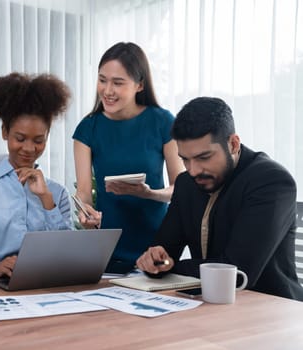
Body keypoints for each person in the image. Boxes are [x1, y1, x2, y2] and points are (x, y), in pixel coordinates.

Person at [136, 97, 303, 301]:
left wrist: (171, 267)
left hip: (270, 309)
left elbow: (237, 272)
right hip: (207, 306)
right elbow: (164, 251)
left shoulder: (272, 182)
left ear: (233, 144)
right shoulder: (186, 183)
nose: (193, 170)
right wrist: (154, 260)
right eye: (185, 159)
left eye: (204, 157)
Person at [72, 42, 184, 273]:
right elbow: (83, 193)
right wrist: (85, 213)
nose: (107, 90)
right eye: (102, 80)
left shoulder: (163, 122)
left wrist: (148, 193)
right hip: (107, 254)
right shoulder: (88, 128)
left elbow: (181, 188)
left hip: (156, 250)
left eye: (118, 83)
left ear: (140, 84)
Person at [0, 73, 73, 278]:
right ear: (4, 132)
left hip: (48, 285)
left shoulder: (56, 193)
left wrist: (46, 200)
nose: (29, 148)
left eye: (38, 140)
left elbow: (69, 253)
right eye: (20, 138)